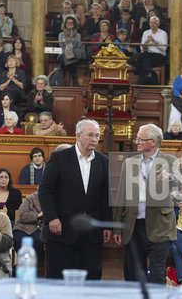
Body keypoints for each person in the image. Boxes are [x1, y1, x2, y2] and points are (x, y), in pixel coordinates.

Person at [39, 119, 112, 280]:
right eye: (90, 135)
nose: (94, 139)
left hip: (91, 234)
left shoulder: (103, 161)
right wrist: (52, 217)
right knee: (58, 281)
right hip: (61, 231)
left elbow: (105, 196)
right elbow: (45, 190)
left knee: (91, 279)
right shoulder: (59, 158)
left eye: (98, 136)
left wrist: (107, 224)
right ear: (78, 136)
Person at [113, 123, 178, 284]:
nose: (137, 142)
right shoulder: (129, 163)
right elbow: (121, 196)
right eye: (137, 138)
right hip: (133, 226)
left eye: (141, 139)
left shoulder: (170, 161)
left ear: (154, 142)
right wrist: (116, 226)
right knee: (133, 277)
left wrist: (169, 177)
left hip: (159, 226)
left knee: (157, 277)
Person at [12, 191, 43, 257]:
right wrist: (37, 215)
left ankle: (33, 263)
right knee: (18, 241)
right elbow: (22, 215)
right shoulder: (30, 199)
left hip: (40, 228)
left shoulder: (53, 199)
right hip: (22, 227)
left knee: (38, 241)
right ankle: (22, 263)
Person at [138, 16, 167, 85]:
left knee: (143, 63)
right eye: (151, 23)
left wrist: (154, 41)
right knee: (145, 55)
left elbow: (164, 48)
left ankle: (141, 83)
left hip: (159, 55)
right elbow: (142, 48)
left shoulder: (163, 33)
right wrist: (147, 41)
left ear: (158, 24)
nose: (152, 24)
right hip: (147, 54)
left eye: (154, 23)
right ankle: (149, 75)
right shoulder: (146, 33)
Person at [58, 15, 84, 87]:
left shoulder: (78, 35)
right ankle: (74, 78)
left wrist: (71, 39)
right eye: (68, 23)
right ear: (65, 24)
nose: (70, 24)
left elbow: (76, 47)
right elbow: (62, 46)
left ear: (74, 25)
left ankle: (62, 82)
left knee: (68, 59)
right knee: (66, 58)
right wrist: (69, 39)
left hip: (74, 54)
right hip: (63, 54)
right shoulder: (61, 34)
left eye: (71, 23)